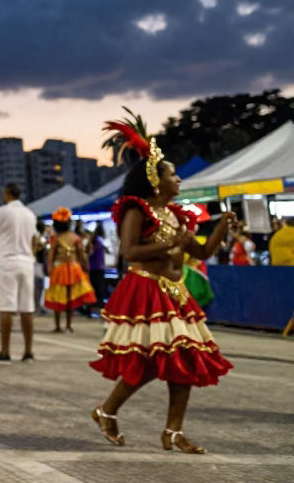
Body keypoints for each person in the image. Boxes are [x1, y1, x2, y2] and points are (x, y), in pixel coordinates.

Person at [90, 114, 234, 454]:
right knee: (148, 361)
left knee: (182, 361)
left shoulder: (177, 215)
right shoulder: (136, 211)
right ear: (156, 179)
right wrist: (168, 245)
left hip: (176, 292)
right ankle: (106, 410)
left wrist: (222, 226)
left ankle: (172, 432)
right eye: (172, 173)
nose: (178, 178)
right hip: (146, 289)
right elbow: (128, 251)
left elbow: (203, 250)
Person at [0, 182, 38, 363]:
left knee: (6, 307)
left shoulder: (2, 212)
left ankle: (5, 351)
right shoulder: (30, 214)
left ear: (7, 194)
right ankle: (28, 352)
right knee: (26, 308)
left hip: (7, 262)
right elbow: (34, 239)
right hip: (26, 262)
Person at [44, 208, 96, 332]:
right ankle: (67, 325)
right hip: (72, 269)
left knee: (60, 297)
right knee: (68, 299)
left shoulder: (56, 238)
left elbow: (51, 255)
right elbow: (81, 255)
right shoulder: (74, 238)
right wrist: (86, 266)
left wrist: (50, 268)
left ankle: (60, 325)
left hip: (62, 270)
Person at [86, 222, 108, 311]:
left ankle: (93, 305)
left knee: (94, 287)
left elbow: (90, 254)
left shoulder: (94, 241)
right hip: (99, 267)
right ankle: (98, 304)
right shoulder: (100, 241)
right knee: (99, 287)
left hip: (93, 268)